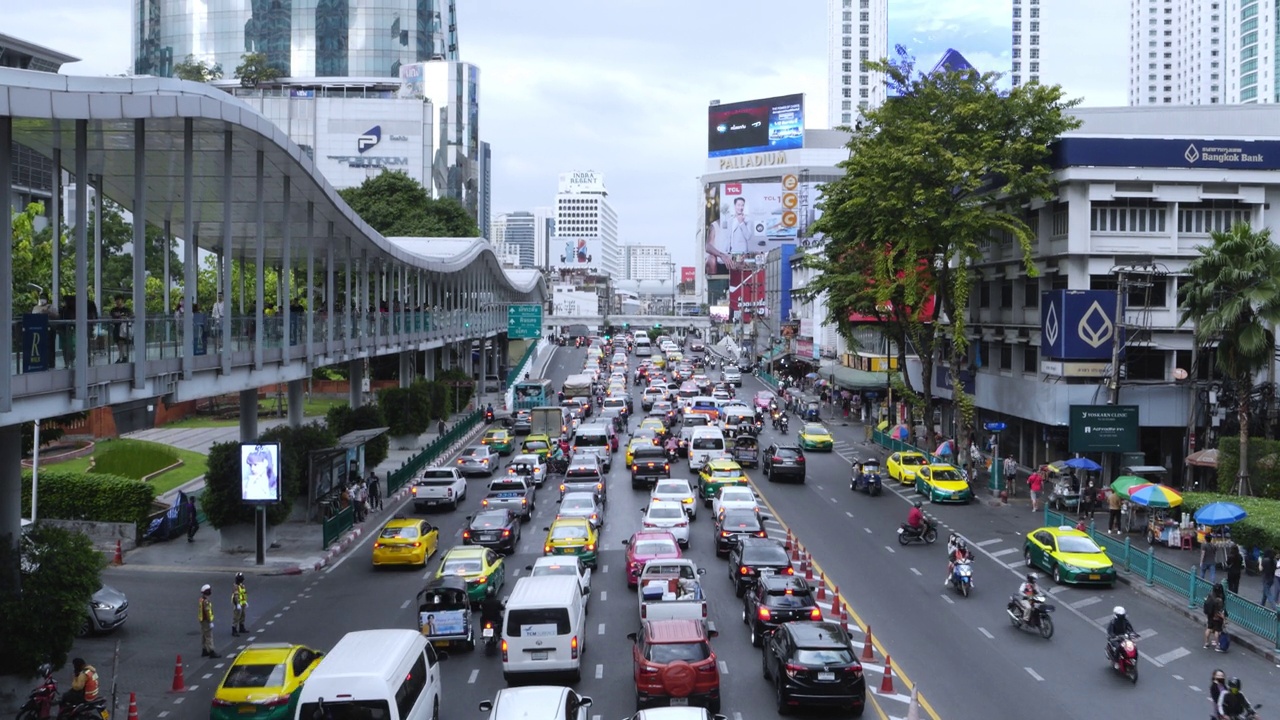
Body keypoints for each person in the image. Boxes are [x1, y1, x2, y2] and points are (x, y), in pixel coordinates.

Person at [1203, 582, 1227, 651]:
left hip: (1210, 616)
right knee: (1217, 631)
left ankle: (1206, 643)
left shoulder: (1209, 596)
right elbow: (1220, 610)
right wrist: (1223, 618)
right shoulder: (1219, 600)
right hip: (1216, 617)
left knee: (1209, 628)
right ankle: (1217, 645)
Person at [199, 584, 220, 658]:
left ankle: (204, 650)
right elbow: (207, 611)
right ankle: (211, 651)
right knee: (209, 636)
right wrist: (210, 621)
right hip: (206, 621)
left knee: (204, 635)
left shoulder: (201, 599)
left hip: (202, 620)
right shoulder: (206, 601)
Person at [109, 295, 131, 363]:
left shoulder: (127, 310)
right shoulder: (113, 310)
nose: (117, 302)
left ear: (122, 300)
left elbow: (129, 317)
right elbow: (112, 317)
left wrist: (120, 317)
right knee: (119, 343)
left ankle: (122, 356)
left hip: (124, 328)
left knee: (122, 342)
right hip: (116, 328)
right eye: (116, 300)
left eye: (119, 300)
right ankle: (122, 356)